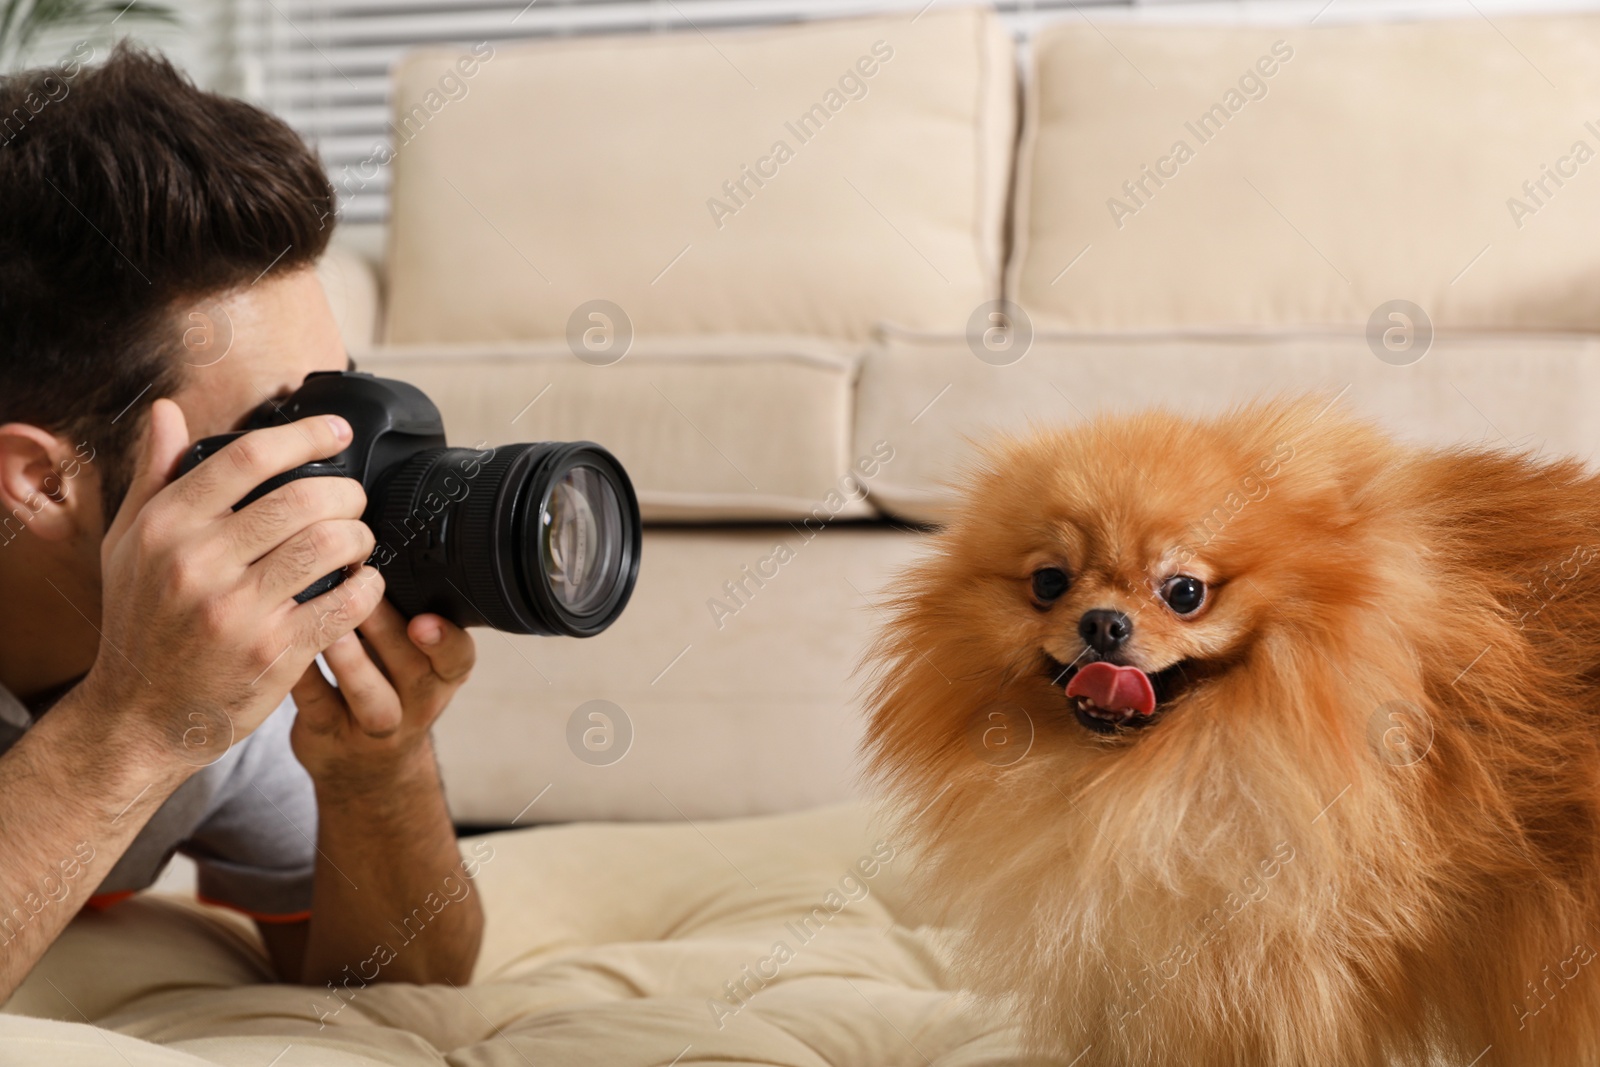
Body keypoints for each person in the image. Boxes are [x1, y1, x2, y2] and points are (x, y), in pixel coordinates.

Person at [0, 44, 484, 1000]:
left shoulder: (210, 612)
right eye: (276, 437)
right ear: (40, 481)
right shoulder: (180, 629)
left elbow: (398, 988)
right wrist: (132, 723)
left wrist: (374, 772)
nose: (335, 481)